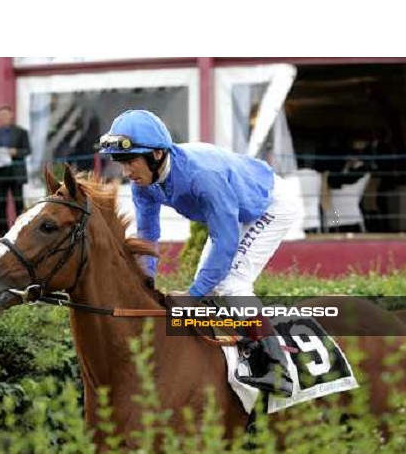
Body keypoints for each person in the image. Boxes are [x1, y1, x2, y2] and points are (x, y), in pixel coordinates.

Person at [99, 110, 299, 397]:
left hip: (269, 204)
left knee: (231, 283)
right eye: (121, 163)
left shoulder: (202, 177)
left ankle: (277, 367)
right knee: (210, 283)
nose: (126, 172)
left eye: (130, 161)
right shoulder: (143, 184)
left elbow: (226, 242)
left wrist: (193, 295)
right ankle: (235, 348)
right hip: (234, 204)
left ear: (156, 155)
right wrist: (146, 283)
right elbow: (148, 236)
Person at [0, 105, 31, 237]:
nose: (3, 117)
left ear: (12, 116)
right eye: (1, 115)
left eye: (6, 114)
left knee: (19, 203)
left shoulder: (21, 132)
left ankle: (21, 232)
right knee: (0, 205)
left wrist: (16, 152)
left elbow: (27, 150)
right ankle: (3, 234)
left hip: (16, 172)